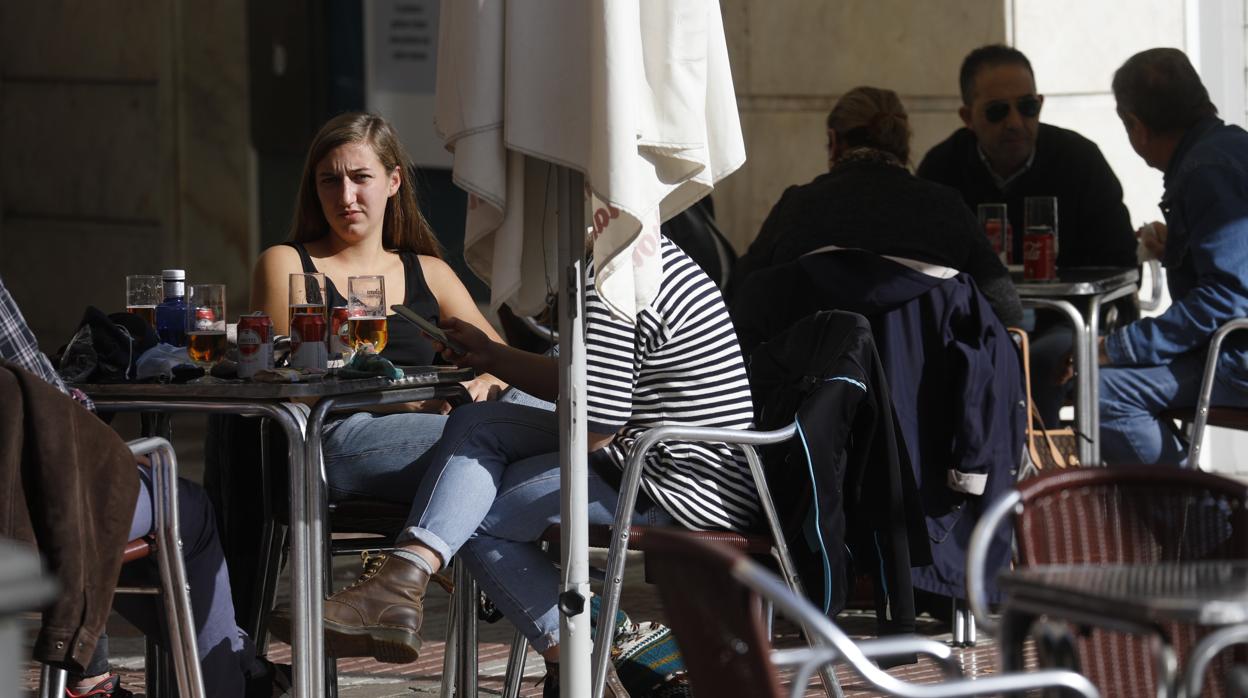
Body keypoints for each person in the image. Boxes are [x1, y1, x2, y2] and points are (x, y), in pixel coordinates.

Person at [282, 233, 758, 697]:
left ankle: (577, 662)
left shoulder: (613, 274)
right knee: (477, 425)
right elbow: (582, 383)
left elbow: (599, 422)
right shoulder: (638, 252)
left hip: (676, 484)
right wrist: (492, 356)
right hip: (662, 458)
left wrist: (513, 420)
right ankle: (403, 579)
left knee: (476, 516)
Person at [0, 275, 284, 698]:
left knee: (101, 507)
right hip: (24, 510)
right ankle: (234, 675)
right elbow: (50, 399)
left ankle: (93, 681)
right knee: (180, 506)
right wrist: (101, 440)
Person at [249, 112, 507, 500]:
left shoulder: (428, 271)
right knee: (498, 440)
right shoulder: (288, 264)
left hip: (438, 437)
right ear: (314, 190)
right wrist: (401, 399)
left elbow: (502, 362)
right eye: (330, 180)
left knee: (524, 422)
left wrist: (484, 382)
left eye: (360, 177)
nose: (346, 196)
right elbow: (284, 383)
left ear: (393, 181)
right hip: (331, 439)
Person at [917, 44, 1139, 428]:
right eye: (997, 111)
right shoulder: (943, 169)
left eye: (1027, 106)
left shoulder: (1079, 160)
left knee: (1037, 363)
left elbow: (1118, 261)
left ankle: (1042, 480)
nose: (1015, 122)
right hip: (973, 324)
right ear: (968, 117)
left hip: (1065, 323)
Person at [732, 86, 1022, 327]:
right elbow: (1005, 308)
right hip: (931, 392)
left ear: (833, 142)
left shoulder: (797, 206)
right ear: (904, 142)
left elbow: (736, 297)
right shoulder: (945, 207)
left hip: (817, 390)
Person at [1098, 48, 1248, 465]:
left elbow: (1227, 298)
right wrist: (1181, 248)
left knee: (1102, 393)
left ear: (1136, 127)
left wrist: (1117, 346)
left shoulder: (1207, 170)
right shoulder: (1231, 148)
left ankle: (1208, 524)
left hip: (1239, 357)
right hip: (1233, 346)